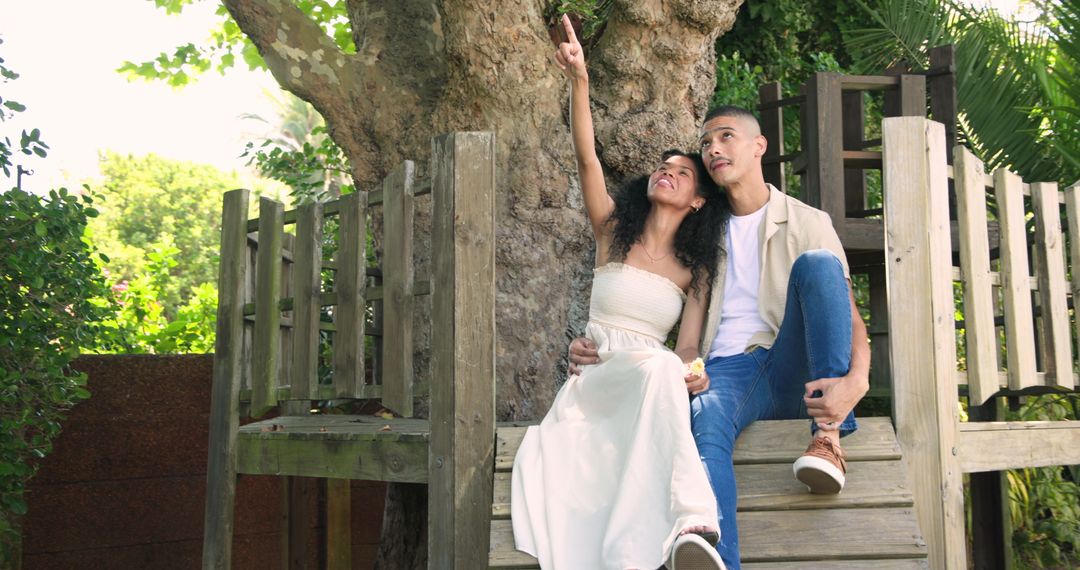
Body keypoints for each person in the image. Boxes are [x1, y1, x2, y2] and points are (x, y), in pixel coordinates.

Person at [569, 105, 871, 570]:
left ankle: (828, 438)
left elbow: (849, 317)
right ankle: (720, 559)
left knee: (818, 265)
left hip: (793, 363)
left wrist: (858, 380)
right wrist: (670, 365)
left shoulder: (809, 221)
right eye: (707, 143)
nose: (713, 149)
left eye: (725, 137)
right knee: (706, 420)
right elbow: (675, 336)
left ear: (758, 146)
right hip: (728, 371)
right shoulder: (702, 239)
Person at [510, 15, 729, 570]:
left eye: (682, 173)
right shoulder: (612, 231)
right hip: (597, 378)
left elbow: (684, 350)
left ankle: (687, 533)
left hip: (650, 384)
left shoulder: (693, 270)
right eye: (663, 166)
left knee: (663, 371)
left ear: (698, 201)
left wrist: (695, 371)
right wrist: (579, 80)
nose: (668, 173)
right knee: (656, 371)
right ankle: (696, 520)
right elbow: (588, 158)